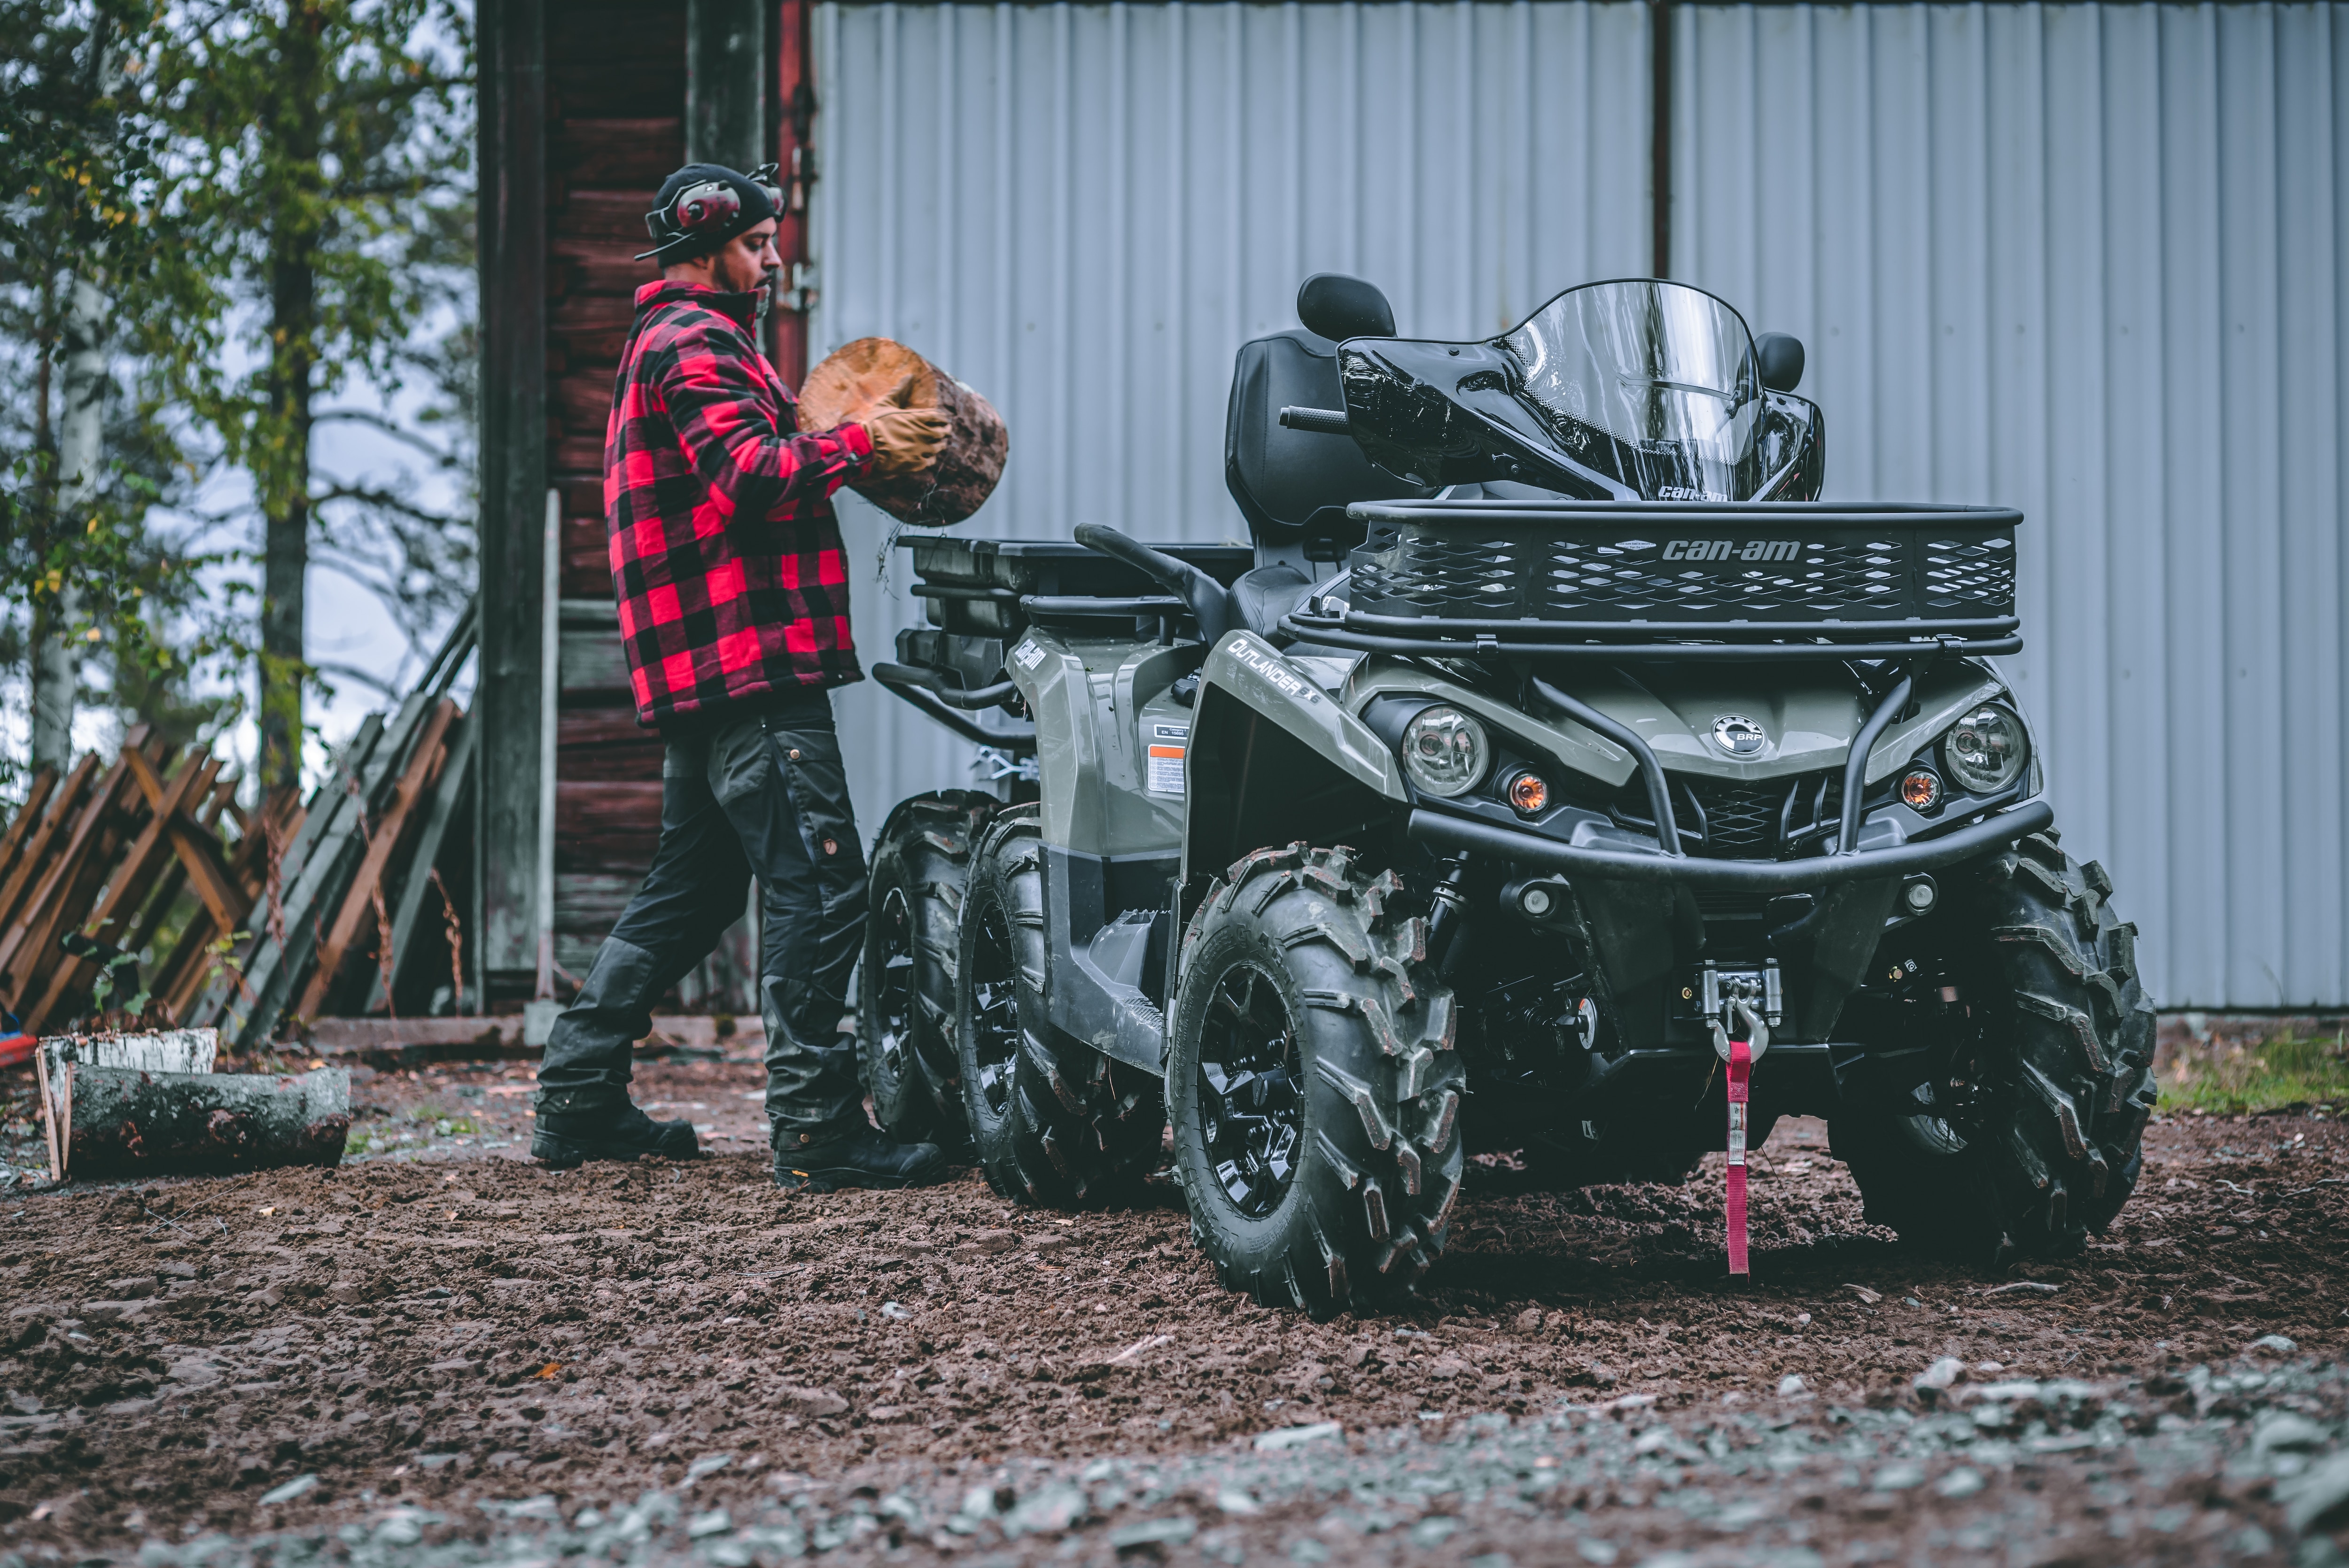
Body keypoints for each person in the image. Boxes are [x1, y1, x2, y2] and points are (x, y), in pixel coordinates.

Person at [530, 161, 950, 1191]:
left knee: (695, 885)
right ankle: (817, 1129)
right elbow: (749, 476)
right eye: (760, 244)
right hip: (749, 660)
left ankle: (577, 1095)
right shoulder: (695, 341)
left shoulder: (676, 343)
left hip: (709, 664)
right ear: (706, 239)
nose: (774, 260)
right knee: (821, 886)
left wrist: (838, 443)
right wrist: (858, 442)